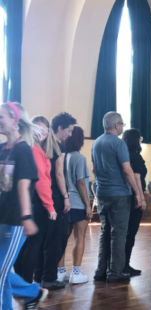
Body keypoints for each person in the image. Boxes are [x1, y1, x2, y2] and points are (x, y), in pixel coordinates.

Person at [0, 102, 48, 309]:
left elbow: (23, 186)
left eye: (1, 116)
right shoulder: (2, 149)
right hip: (1, 218)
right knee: (2, 273)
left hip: (16, 221)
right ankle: (32, 293)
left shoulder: (24, 150)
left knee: (1, 273)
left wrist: (27, 218)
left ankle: (30, 294)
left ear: (15, 121)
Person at [92, 112, 146, 283]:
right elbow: (127, 170)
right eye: (122, 124)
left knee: (104, 232)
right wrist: (137, 193)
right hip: (119, 194)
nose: (122, 127)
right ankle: (115, 272)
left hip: (102, 192)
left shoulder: (96, 143)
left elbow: (94, 170)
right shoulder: (118, 143)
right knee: (119, 234)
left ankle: (101, 271)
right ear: (116, 125)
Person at [13, 116, 59, 284]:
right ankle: (25, 286)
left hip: (29, 202)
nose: (41, 132)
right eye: (37, 128)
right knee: (33, 246)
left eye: (44, 129)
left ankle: (23, 284)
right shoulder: (34, 150)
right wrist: (50, 207)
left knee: (26, 246)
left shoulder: (30, 148)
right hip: (37, 203)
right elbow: (41, 181)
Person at [34, 112, 76, 290]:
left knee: (42, 239)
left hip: (38, 198)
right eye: (69, 130)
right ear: (59, 129)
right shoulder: (58, 148)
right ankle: (49, 277)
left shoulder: (37, 147)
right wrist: (66, 198)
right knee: (57, 239)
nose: (70, 134)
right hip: (54, 198)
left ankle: (39, 276)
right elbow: (59, 175)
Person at [62, 126, 92, 284]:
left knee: (62, 239)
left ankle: (60, 272)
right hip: (78, 203)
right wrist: (88, 205)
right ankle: (76, 273)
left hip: (65, 202)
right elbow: (81, 183)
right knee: (79, 238)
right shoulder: (79, 158)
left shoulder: (63, 156)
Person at [122, 129, 147, 275]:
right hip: (134, 198)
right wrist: (141, 198)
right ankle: (125, 264)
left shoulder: (124, 156)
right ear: (136, 140)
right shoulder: (136, 157)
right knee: (130, 233)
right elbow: (137, 179)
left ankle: (121, 263)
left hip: (125, 197)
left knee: (124, 233)